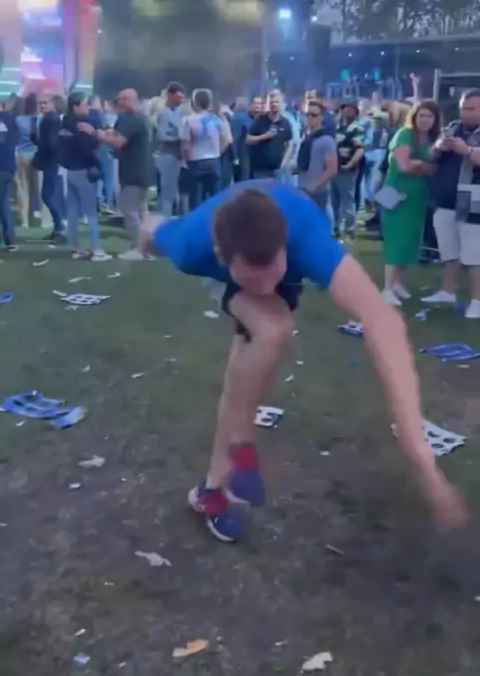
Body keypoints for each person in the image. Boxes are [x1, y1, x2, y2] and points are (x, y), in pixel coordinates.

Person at [139, 183, 467, 543]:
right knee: (272, 330)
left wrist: (420, 456)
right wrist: (146, 232)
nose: (265, 288)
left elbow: (383, 320)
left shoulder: (306, 235)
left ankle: (212, 488)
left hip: (277, 236)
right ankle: (231, 466)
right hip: (222, 258)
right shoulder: (191, 246)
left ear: (286, 247)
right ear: (220, 255)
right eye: (254, 279)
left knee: (255, 354)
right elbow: (155, 227)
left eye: (272, 274)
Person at [422, 90, 480, 318]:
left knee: (474, 255)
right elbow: (430, 156)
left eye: (471, 109)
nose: (465, 113)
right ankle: (447, 291)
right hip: (445, 199)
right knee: (448, 250)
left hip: (473, 202)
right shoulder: (454, 127)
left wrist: (468, 151)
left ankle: (477, 301)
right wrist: (439, 147)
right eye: (463, 108)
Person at [79, 88, 153, 261]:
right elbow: (116, 134)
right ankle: (146, 247)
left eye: (119, 100)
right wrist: (104, 132)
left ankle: (138, 248)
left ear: (127, 101)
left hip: (133, 172)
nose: (117, 103)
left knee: (129, 210)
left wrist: (94, 133)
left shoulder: (131, 119)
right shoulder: (141, 118)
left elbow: (117, 141)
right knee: (141, 212)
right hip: (143, 170)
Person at [381, 100, 440, 305]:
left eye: (430, 116)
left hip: (417, 196)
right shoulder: (405, 134)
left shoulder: (431, 139)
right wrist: (423, 165)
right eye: (422, 115)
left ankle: (398, 282)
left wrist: (421, 166)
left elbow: (434, 168)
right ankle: (387, 288)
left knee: (410, 240)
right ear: (414, 116)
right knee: (397, 240)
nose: (425, 120)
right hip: (397, 194)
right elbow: (404, 165)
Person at [59, 92, 111, 262]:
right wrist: (95, 163)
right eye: (85, 104)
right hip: (83, 169)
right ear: (76, 106)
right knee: (91, 212)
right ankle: (96, 249)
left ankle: (75, 247)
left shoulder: (65, 122)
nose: (88, 108)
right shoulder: (81, 124)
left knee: (72, 211)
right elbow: (87, 147)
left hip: (70, 170)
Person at [183, 89, 227, 209]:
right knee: (215, 196)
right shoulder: (217, 119)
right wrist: (218, 153)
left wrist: (186, 159)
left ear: (195, 102)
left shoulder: (189, 120)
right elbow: (225, 140)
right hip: (214, 160)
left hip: (196, 161)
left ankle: (197, 218)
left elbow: (186, 144)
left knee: (196, 198)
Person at [33, 96, 65, 243]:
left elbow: (51, 143)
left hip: (51, 161)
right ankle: (58, 228)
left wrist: (39, 144)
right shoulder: (48, 119)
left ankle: (60, 227)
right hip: (51, 161)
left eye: (45, 103)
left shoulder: (51, 120)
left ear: (52, 105)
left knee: (48, 195)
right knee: (49, 195)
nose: (42, 106)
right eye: (40, 103)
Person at [331, 101, 365, 238]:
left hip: (347, 170)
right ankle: (336, 226)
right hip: (334, 168)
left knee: (347, 200)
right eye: (345, 108)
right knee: (334, 200)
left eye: (351, 109)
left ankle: (349, 227)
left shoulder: (356, 129)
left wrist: (350, 164)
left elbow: (360, 150)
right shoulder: (338, 128)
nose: (347, 111)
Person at [296, 99, 337, 211]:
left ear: (321, 117)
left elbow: (332, 169)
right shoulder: (307, 138)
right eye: (307, 114)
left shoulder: (326, 140)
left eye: (314, 115)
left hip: (317, 192)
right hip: (302, 188)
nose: (309, 118)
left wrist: (316, 185)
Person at [246, 91, 293, 179]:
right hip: (260, 170)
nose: (274, 104)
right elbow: (248, 140)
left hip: (277, 171)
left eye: (276, 102)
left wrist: (284, 161)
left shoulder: (285, 123)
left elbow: (289, 144)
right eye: (271, 102)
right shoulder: (260, 121)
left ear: (281, 104)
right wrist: (264, 136)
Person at [155, 82, 186, 217]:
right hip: (167, 155)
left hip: (178, 155)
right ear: (170, 96)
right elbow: (161, 135)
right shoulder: (164, 113)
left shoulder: (179, 113)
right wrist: (179, 137)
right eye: (178, 98)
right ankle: (164, 218)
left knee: (175, 191)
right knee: (167, 191)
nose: (180, 101)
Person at [14, 93, 40, 227]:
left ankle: (24, 219)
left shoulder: (18, 119)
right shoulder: (39, 119)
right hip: (36, 153)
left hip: (21, 153)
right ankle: (40, 216)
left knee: (23, 187)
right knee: (38, 187)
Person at [0, 105, 18, 251]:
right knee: (3, 203)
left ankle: (9, 238)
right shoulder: (12, 120)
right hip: (9, 166)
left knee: (3, 204)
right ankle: (10, 239)